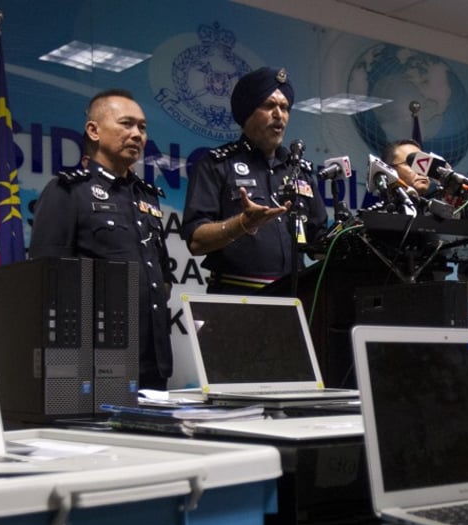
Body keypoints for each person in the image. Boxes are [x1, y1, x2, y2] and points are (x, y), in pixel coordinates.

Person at [29, 89, 172, 389]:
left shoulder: (147, 197)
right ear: (94, 130)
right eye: (127, 124)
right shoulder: (68, 190)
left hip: (153, 360)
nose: (137, 134)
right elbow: (47, 282)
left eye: (143, 128)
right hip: (97, 362)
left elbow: (161, 274)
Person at [182, 67, 328, 294]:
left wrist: (349, 236)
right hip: (236, 298)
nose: (279, 115)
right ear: (248, 112)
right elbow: (196, 241)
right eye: (269, 106)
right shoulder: (217, 164)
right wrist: (243, 224)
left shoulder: (300, 170)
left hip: (295, 298)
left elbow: (317, 244)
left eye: (285, 108)